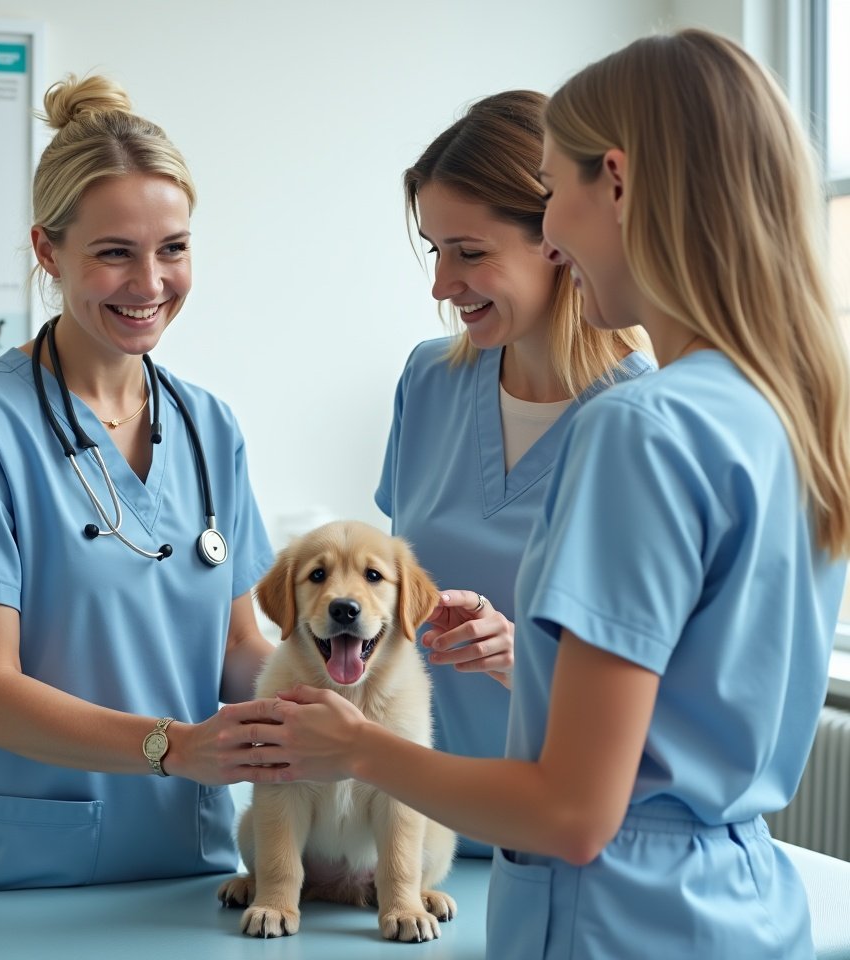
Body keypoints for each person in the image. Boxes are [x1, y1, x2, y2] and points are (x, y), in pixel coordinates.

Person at [255, 30, 850, 959]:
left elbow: (574, 814)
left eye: (553, 183)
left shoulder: (638, 427)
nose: (559, 229)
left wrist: (358, 751)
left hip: (613, 910)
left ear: (611, 181)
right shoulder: (788, 411)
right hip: (736, 906)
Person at [0, 74, 279, 895]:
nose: (150, 284)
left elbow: (239, 648)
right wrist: (175, 746)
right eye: (114, 253)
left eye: (172, 248)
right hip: (21, 869)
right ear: (47, 250)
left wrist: (333, 696)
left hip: (188, 864)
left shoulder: (211, 427)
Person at [376, 91, 652, 856]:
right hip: (410, 842)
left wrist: (518, 660)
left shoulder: (644, 425)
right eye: (435, 250)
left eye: (469, 251)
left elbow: (657, 690)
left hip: (552, 843)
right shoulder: (428, 382)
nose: (441, 284)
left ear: (555, 237)